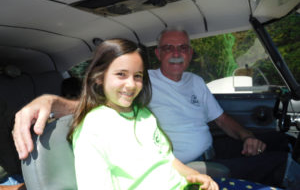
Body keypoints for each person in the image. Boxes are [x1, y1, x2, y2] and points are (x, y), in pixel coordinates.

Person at [12, 28, 299, 189]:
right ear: (159, 53)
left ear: (190, 52)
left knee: (281, 140)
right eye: (169, 48)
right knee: (277, 164)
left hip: (190, 168)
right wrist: (49, 101)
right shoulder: (119, 108)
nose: (131, 84)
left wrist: (247, 135)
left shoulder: (157, 103)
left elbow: (221, 120)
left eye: (183, 47)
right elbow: (97, 106)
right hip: (191, 164)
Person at [67, 38, 218, 189]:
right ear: (99, 77)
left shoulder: (144, 114)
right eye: (121, 74)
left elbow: (167, 158)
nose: (131, 84)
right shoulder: (94, 127)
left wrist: (195, 175)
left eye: (137, 76)